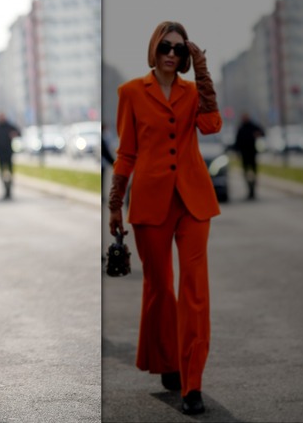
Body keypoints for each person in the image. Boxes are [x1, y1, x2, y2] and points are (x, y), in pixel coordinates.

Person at [107, 21, 221, 416]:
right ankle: (168, 360)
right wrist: (114, 203)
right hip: (151, 205)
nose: (172, 54)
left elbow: (211, 125)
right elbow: (126, 153)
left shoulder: (193, 92)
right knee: (160, 289)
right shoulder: (131, 93)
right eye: (166, 47)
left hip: (193, 202)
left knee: (194, 292)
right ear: (154, 49)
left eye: (180, 50)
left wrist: (203, 72)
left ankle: (193, 383)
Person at [233, 113, 264, 200]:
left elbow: (262, 132)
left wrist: (258, 134)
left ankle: (253, 190)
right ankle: (249, 190)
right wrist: (236, 152)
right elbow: (237, 141)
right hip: (244, 155)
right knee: (246, 174)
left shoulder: (253, 126)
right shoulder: (241, 128)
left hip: (252, 154)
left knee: (253, 174)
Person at [0, 113, 20, 199]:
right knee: (2, 173)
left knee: (10, 173)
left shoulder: (10, 126)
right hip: (0, 154)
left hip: (9, 153)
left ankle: (9, 189)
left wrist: (14, 134)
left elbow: (19, 132)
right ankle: (5, 189)